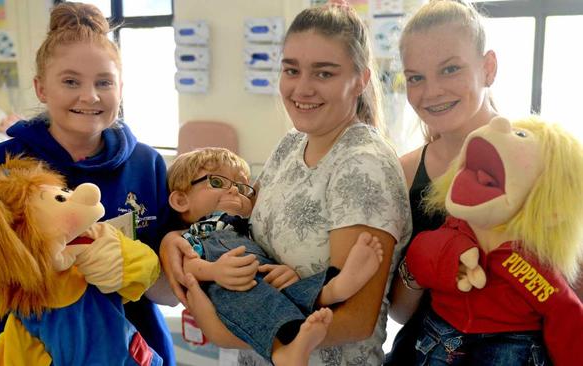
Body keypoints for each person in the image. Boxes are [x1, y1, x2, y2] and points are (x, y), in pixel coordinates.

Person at [161, 2, 412, 365]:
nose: (302, 88)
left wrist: (218, 329)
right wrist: (175, 240)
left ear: (360, 79)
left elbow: (356, 320)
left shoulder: (362, 165)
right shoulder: (291, 145)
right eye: (291, 70)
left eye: (324, 74)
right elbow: (236, 218)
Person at [0, 3, 176, 365]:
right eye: (70, 81)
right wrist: (27, 258)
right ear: (41, 88)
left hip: (131, 354)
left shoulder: (146, 165)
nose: (89, 96)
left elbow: (170, 294)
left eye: (104, 82)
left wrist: (135, 266)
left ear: (121, 88)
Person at [167, 147, 384, 365]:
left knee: (284, 293)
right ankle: (284, 350)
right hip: (228, 288)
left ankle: (334, 288)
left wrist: (284, 270)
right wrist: (215, 271)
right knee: (254, 304)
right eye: (217, 182)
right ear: (181, 201)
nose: (234, 191)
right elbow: (188, 268)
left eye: (241, 188)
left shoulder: (247, 226)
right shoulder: (197, 232)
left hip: (263, 276)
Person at [385, 1, 499, 364]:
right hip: (421, 353)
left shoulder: (545, 159)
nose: (431, 91)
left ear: (488, 68)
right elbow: (399, 313)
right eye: (416, 77)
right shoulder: (402, 172)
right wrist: (418, 266)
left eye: (450, 69)